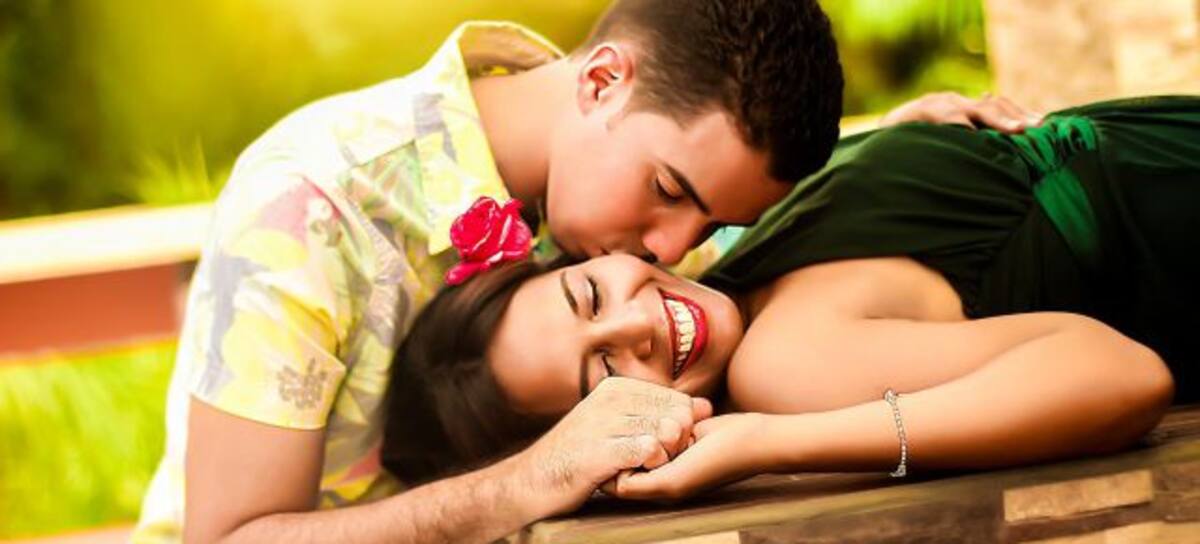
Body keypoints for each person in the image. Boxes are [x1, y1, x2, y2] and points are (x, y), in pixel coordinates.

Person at [133, 1, 854, 542]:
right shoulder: (311, 206)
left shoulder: (634, 217)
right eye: (667, 190)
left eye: (712, 225)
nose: (673, 250)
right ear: (602, 82)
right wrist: (531, 479)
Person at [382, 96, 1197, 501]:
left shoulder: (737, 252)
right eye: (602, 375)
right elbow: (1125, 376)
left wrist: (890, 135)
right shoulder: (779, 369)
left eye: (589, 293)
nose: (638, 323)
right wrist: (764, 444)